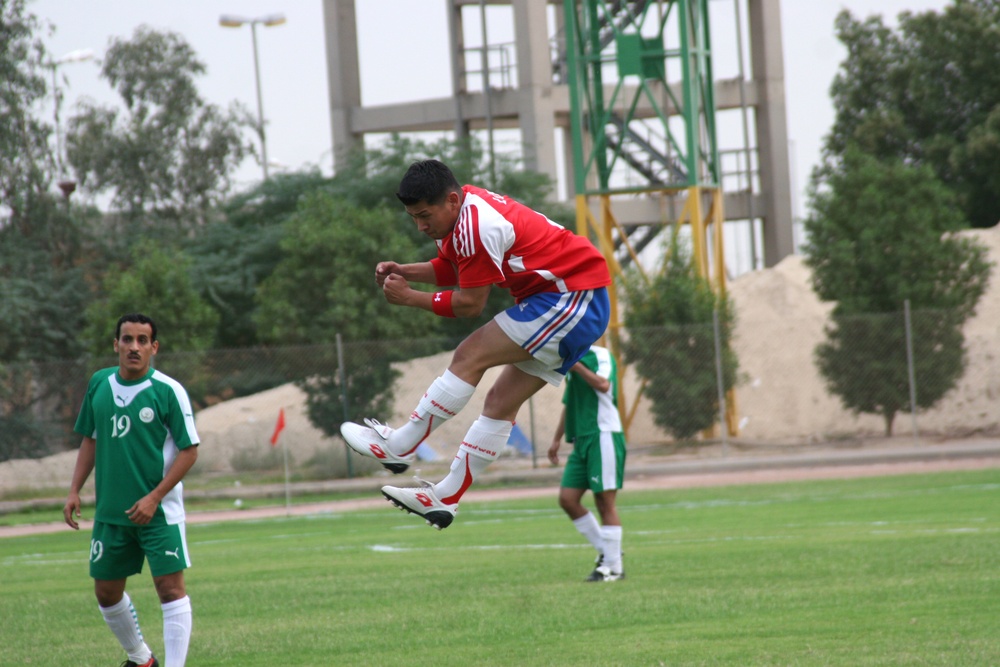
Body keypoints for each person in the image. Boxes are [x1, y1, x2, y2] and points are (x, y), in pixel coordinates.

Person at [340, 159, 611, 529]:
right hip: (572, 301)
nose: (420, 226)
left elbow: (471, 303)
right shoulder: (461, 215)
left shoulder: (476, 225)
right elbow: (458, 268)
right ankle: (446, 497)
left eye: (424, 215)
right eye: (413, 217)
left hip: (570, 298)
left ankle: (400, 445)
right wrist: (406, 270)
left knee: (470, 355)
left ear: (451, 200)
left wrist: (411, 298)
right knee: (499, 402)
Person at [63, 313, 199, 667]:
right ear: (116, 345)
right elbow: (90, 439)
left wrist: (155, 497)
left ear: (154, 347)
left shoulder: (168, 391)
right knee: (106, 593)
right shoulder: (99, 384)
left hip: (159, 513)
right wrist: (74, 489)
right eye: (127, 339)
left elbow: (190, 451)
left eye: (142, 340)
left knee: (170, 589)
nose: (134, 347)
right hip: (112, 513)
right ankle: (141, 660)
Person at [548, 344, 626, 582]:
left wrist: (576, 365)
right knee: (568, 499)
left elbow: (604, 385)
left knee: (605, 502)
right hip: (581, 439)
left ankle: (614, 569)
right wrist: (556, 439)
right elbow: (570, 403)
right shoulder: (570, 359)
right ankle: (609, 553)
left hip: (603, 434)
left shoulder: (599, 354)